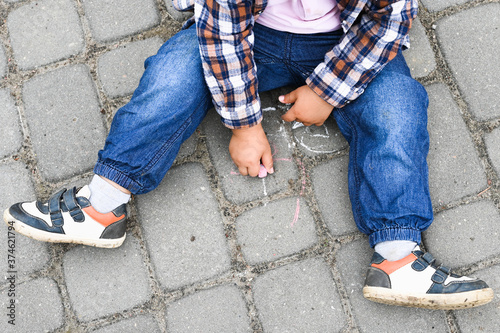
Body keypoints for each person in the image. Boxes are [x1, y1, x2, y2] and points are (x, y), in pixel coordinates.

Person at [3, 0, 494, 310]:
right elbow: (221, 35)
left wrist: (327, 91)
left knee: (399, 108)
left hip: (346, 37)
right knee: (172, 78)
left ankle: (397, 258)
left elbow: (390, 23)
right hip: (245, 29)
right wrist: (243, 124)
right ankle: (101, 204)